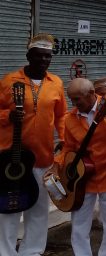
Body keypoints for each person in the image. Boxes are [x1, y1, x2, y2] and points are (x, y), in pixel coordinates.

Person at [0, 33, 68, 256]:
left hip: (42, 155)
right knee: (9, 206)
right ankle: (6, 251)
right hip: (12, 156)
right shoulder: (10, 81)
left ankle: (32, 251)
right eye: (38, 56)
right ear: (28, 55)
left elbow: (61, 117)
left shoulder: (56, 83)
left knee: (38, 207)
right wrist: (7, 117)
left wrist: (66, 141)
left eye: (47, 56)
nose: (43, 61)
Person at [53, 78, 106, 256]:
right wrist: (57, 165)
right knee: (79, 222)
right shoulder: (69, 119)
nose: (74, 103)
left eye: (77, 99)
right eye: (71, 99)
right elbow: (68, 147)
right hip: (83, 177)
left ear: (92, 94)